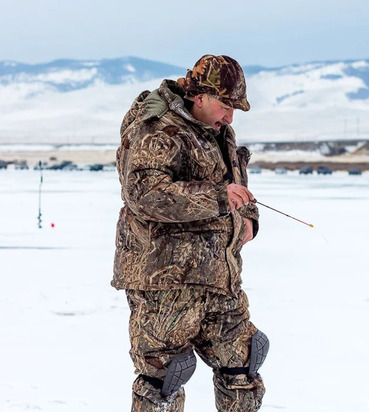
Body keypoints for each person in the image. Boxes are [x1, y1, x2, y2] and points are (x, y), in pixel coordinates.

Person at [111, 55, 269, 412]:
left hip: (219, 278)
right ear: (200, 96)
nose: (230, 117)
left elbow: (235, 185)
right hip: (165, 284)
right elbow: (144, 195)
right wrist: (217, 198)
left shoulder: (218, 131)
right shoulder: (156, 128)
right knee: (164, 381)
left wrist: (248, 218)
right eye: (226, 106)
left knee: (243, 365)